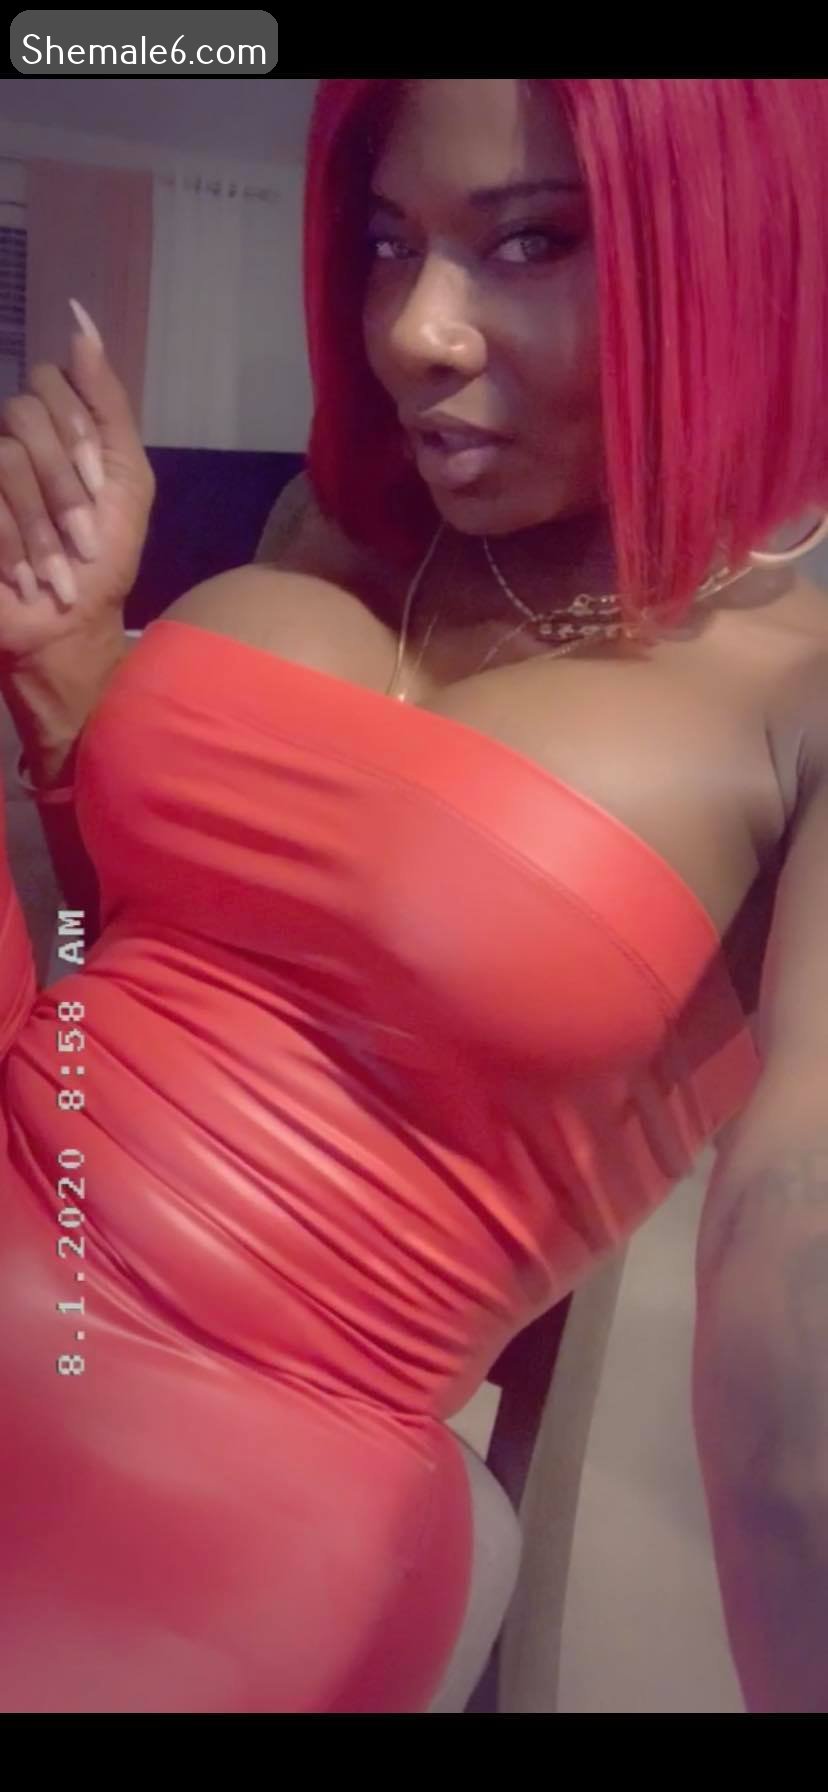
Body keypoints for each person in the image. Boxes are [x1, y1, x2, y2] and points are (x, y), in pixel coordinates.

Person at [0, 76, 826, 1713]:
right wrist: (63, 678)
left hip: (229, 1469)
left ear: (735, 254)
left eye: (531, 242)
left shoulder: (796, 697)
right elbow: (136, 955)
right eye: (388, 244)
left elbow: (795, 1252)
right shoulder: (336, 526)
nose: (412, 336)